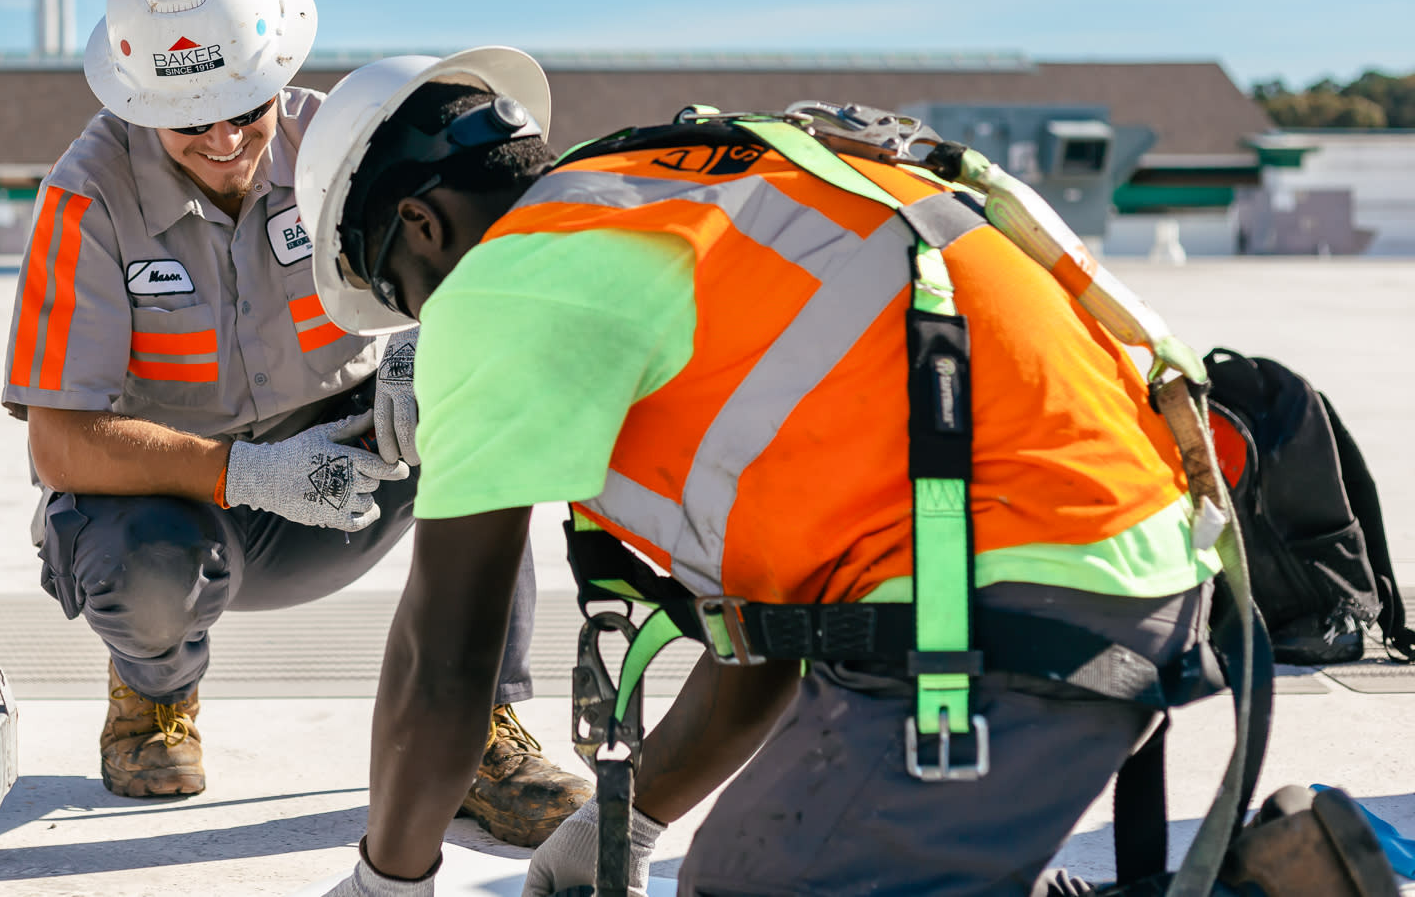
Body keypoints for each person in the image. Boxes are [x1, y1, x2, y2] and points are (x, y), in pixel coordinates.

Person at [294, 48, 1224, 896]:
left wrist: (386, 882)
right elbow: (769, 635)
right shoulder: (675, 196)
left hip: (1017, 604)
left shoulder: (502, 283)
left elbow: (445, 657)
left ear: (419, 224)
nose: (425, 322)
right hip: (1131, 568)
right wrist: (624, 821)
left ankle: (1291, 876)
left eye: (401, 297)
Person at [0, 0, 589, 845]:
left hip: (359, 465)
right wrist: (251, 474)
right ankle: (153, 700)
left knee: (489, 424)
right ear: (140, 96)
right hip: (186, 509)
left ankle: (478, 729)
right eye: (193, 119)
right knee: (139, 562)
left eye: (250, 105)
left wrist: (419, 349)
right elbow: (59, 444)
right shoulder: (88, 199)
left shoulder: (349, 147)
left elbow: (482, 269)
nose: (228, 139)